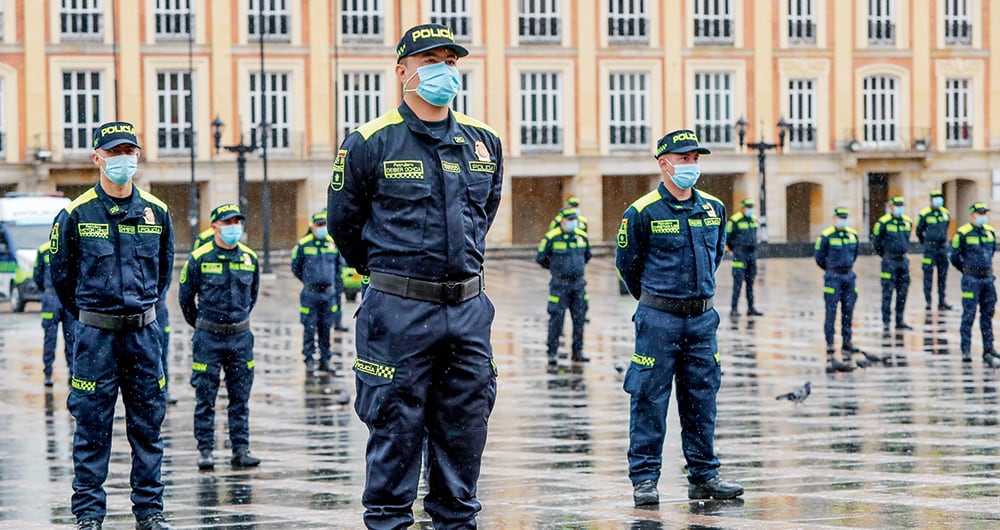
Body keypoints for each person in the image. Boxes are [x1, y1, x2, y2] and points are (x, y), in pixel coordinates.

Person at [327, 23, 504, 528]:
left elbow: (484, 214)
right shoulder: (369, 142)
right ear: (402, 71)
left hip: (467, 311)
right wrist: (391, 274)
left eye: (450, 62)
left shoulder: (483, 143)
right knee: (395, 430)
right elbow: (344, 224)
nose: (443, 71)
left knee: (465, 433)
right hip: (398, 312)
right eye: (430, 62)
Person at [49, 121, 174, 530]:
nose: (123, 159)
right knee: (91, 428)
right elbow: (62, 278)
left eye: (129, 151)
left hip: (143, 336)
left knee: (148, 427)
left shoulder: (157, 212)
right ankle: (89, 515)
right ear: (97, 158)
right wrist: (96, 314)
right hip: (96, 338)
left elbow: (163, 276)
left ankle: (149, 512)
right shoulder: (76, 213)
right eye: (114, 152)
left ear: (137, 155)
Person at [616, 129, 743, 506]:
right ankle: (644, 479)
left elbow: (715, 257)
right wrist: (657, 299)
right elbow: (628, 266)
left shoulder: (713, 208)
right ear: (664, 163)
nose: (691, 165)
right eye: (684, 159)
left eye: (695, 159)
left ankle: (704, 475)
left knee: (702, 397)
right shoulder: (642, 211)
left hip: (702, 319)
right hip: (659, 319)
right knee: (648, 399)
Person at [178, 203, 262, 471]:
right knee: (205, 396)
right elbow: (185, 299)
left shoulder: (249, 258)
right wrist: (203, 325)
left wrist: (236, 322)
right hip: (208, 338)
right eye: (228, 223)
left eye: (237, 222)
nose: (234, 228)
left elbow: (252, 297)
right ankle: (205, 450)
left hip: (240, 338)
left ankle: (241, 449)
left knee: (240, 397)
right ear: (215, 226)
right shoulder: (199, 258)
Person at [536, 207, 591, 366]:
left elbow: (587, 256)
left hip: (578, 284)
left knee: (579, 319)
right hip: (559, 285)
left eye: (574, 219)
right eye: (570, 220)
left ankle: (577, 352)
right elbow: (541, 258)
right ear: (562, 220)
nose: (573, 222)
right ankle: (552, 352)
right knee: (556, 319)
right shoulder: (551, 237)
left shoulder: (581, 236)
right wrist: (558, 270)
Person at [291, 210, 344, 372]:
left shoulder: (333, 244)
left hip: (328, 294)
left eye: (324, 224)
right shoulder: (303, 244)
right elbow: (296, 267)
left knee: (326, 327)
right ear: (312, 227)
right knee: (309, 327)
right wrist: (309, 281)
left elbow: (338, 267)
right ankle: (309, 359)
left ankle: (325, 360)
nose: (322, 227)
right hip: (310, 294)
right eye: (319, 225)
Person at [950, 202, 1000, 367]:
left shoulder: (990, 232)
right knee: (969, 315)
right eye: (980, 213)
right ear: (972, 215)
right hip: (971, 279)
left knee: (987, 314)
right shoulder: (963, 233)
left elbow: (991, 252)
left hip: (987, 278)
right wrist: (967, 270)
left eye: (984, 213)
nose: (982, 216)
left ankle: (988, 348)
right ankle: (966, 349)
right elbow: (954, 257)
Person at [814, 207, 860, 372]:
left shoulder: (852, 235)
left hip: (849, 276)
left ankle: (847, 342)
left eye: (845, 217)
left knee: (848, 311)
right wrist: (831, 269)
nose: (842, 220)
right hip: (833, 277)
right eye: (840, 217)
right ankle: (830, 343)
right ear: (834, 218)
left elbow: (855, 254)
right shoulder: (826, 236)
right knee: (831, 312)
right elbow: (819, 257)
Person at [33, 240, 76, 387]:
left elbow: (37, 276)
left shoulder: (44, 249)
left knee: (53, 338)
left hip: (53, 297)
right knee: (69, 337)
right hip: (65, 297)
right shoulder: (69, 245)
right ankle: (71, 373)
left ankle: (49, 374)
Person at [872, 195, 914, 330]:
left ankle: (900, 320)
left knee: (902, 292)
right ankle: (886, 321)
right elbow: (877, 243)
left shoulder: (907, 222)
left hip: (903, 260)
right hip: (889, 261)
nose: (899, 208)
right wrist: (885, 255)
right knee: (887, 292)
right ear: (890, 207)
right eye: (897, 206)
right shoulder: (883, 222)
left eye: (901, 206)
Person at [726, 198, 762, 316]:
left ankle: (751, 308)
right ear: (742, 208)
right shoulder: (735, 219)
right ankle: (734, 308)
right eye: (748, 207)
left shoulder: (754, 219)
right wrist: (731, 249)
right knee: (738, 284)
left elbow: (755, 234)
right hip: (740, 254)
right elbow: (728, 236)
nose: (750, 209)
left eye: (752, 207)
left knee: (750, 283)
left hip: (751, 255)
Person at [916, 190, 952, 310]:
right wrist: (926, 242)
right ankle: (928, 301)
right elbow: (919, 231)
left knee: (943, 276)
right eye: (935, 198)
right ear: (931, 200)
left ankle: (942, 301)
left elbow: (946, 227)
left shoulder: (945, 213)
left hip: (942, 248)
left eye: (939, 198)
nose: (938, 200)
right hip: (930, 249)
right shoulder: (924, 214)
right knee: (928, 275)